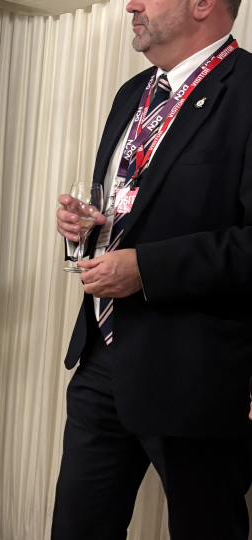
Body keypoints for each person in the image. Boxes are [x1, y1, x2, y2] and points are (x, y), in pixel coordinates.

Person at [52, 0, 252, 537]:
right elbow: (135, 209)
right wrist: (86, 227)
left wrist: (147, 268)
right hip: (100, 357)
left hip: (195, 374)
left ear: (202, 4)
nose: (130, 4)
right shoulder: (131, 95)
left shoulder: (250, 92)